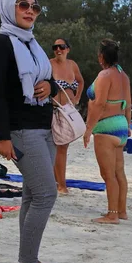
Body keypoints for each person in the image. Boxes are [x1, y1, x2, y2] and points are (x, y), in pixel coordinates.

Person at [0, 0, 62, 263]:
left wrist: (51, 87)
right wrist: (2, 137)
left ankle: (31, 258)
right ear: (8, 8)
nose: (30, 11)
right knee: (46, 194)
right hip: (20, 130)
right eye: (23, 5)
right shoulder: (0, 45)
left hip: (45, 128)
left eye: (35, 7)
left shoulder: (32, 44)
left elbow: (50, 81)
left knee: (32, 195)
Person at [84, 39, 131, 225]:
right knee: (119, 172)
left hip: (105, 127)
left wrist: (88, 129)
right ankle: (122, 211)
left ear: (101, 56)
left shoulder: (104, 75)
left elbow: (99, 103)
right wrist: (127, 126)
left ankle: (112, 214)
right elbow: (126, 103)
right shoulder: (123, 76)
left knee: (108, 174)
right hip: (120, 126)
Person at [49, 38, 84, 195]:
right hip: (52, 110)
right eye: (55, 47)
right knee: (53, 147)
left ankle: (60, 184)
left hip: (68, 110)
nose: (58, 49)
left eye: (61, 47)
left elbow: (81, 81)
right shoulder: (49, 64)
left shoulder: (73, 65)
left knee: (63, 147)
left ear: (68, 49)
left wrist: (77, 97)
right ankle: (56, 184)